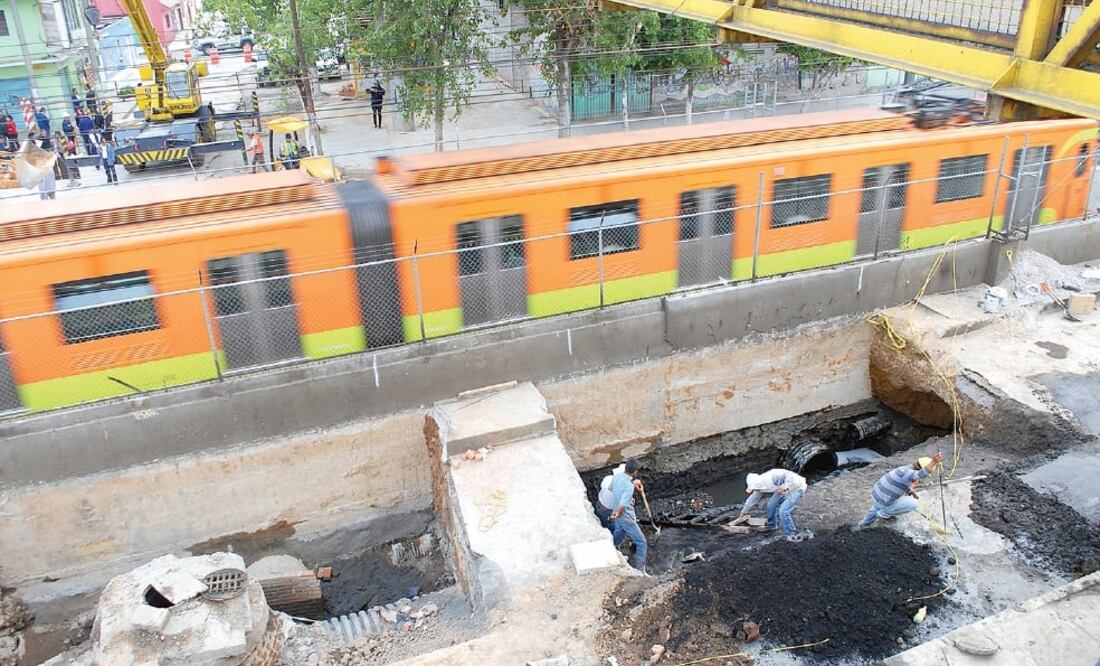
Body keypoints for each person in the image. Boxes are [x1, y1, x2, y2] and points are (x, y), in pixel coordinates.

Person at [858, 453, 944, 528]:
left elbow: (901, 484)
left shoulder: (905, 469)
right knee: (913, 504)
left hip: (877, 494)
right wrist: (933, 461)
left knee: (877, 506)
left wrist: (910, 492)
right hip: (884, 498)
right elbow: (922, 474)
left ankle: (864, 523)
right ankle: (883, 514)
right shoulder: (909, 473)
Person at [736, 468, 808, 541]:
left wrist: (786, 486)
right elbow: (752, 500)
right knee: (771, 505)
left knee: (783, 511)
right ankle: (772, 525)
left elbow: (789, 474)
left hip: (797, 487)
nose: (755, 490)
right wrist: (744, 512)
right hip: (783, 489)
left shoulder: (773, 477)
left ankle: (792, 533)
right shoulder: (759, 488)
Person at [605, 459, 648, 574]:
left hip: (616, 514)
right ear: (635, 471)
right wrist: (619, 512)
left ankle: (613, 555)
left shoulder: (617, 477)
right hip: (626, 517)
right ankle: (640, 571)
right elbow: (622, 505)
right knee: (641, 542)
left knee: (618, 536)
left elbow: (612, 489)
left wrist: (628, 497)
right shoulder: (629, 486)